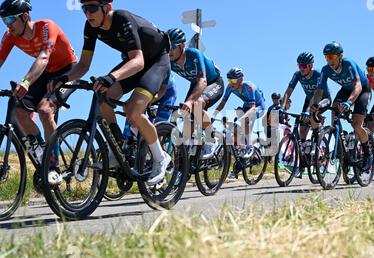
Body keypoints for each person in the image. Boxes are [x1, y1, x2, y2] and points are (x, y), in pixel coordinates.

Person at [51, 0, 172, 185]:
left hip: (155, 61)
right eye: (84, 9)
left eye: (92, 8)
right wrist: (64, 79)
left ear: (106, 8)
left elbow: (138, 61)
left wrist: (111, 77)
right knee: (103, 98)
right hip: (134, 61)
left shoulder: (122, 18)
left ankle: (160, 157)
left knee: (132, 111)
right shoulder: (90, 26)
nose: (87, 13)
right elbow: (83, 65)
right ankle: (118, 147)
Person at [0, 0, 77, 171]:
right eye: (4, 20)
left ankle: (53, 166)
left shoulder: (46, 27)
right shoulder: (10, 36)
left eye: (11, 19)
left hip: (68, 71)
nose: (7, 25)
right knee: (20, 112)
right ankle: (43, 150)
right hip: (46, 72)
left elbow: (43, 57)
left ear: (25, 16)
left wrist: (26, 81)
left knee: (44, 109)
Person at [315, 42, 373, 171]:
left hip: (363, 90)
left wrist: (349, 103)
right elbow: (319, 91)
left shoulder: (348, 63)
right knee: (334, 110)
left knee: (356, 125)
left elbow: (358, 86)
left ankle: (368, 154)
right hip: (346, 90)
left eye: (332, 57)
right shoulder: (326, 70)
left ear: (340, 56)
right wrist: (315, 106)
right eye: (327, 57)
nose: (329, 60)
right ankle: (341, 148)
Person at [167, 28, 224, 159]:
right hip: (196, 83)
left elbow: (203, 82)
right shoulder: (170, 61)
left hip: (213, 82)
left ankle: (211, 138)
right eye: (167, 47)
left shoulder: (193, 54)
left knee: (196, 104)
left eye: (173, 47)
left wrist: (190, 101)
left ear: (182, 46)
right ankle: (185, 159)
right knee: (186, 115)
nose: (169, 51)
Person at [214, 67, 266, 158]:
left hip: (258, 107)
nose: (231, 83)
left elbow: (253, 108)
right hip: (247, 106)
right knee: (235, 128)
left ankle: (250, 146)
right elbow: (222, 104)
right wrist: (213, 114)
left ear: (241, 79)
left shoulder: (249, 87)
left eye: (233, 80)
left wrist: (242, 119)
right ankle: (241, 149)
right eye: (229, 80)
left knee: (244, 120)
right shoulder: (230, 87)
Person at [282, 52, 331, 145]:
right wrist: (281, 108)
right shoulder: (297, 75)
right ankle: (304, 150)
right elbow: (287, 93)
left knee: (311, 116)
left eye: (303, 66)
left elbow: (316, 94)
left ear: (310, 65)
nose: (301, 69)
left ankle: (318, 138)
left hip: (322, 99)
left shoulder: (317, 74)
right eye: (299, 66)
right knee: (303, 126)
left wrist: (309, 111)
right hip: (309, 99)